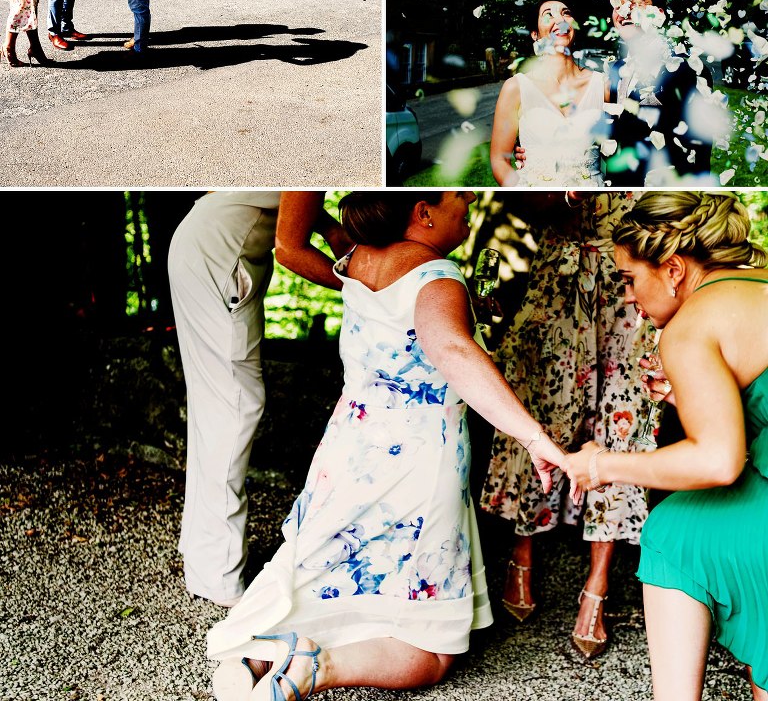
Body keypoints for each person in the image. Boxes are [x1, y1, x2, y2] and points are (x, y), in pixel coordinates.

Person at [206, 192, 572, 701]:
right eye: (458, 195)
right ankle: (319, 667)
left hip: (348, 450)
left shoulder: (357, 259)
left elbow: (398, 314)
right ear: (422, 212)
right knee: (434, 649)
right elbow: (451, 349)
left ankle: (256, 660)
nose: (467, 201)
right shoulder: (438, 274)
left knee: (329, 562)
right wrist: (533, 436)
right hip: (420, 463)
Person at [564, 191, 767, 700]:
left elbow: (718, 460)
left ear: (673, 269)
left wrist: (601, 464)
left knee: (672, 531)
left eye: (630, 280)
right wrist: (691, 397)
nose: (628, 298)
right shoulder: (758, 284)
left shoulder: (690, 324)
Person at [479, 191, 659, 659]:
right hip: (560, 278)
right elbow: (520, 198)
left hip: (633, 281)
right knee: (541, 410)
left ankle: (596, 583)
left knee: (623, 423)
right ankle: (522, 551)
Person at [168, 192, 350, 609]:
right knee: (235, 406)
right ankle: (220, 575)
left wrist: (329, 228)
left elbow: (290, 200)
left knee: (217, 407)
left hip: (205, 248)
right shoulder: (315, 140)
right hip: (217, 259)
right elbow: (290, 250)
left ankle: (204, 556)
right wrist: (368, 282)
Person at [603, 0, 714, 186]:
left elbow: (701, 147)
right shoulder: (615, 69)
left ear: (658, 13)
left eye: (635, 2)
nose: (624, 10)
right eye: (618, 4)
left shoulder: (687, 68)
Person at [489, 0, 607, 187]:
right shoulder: (516, 88)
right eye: (548, 15)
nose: (559, 20)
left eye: (566, 13)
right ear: (535, 34)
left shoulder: (602, 85)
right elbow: (499, 160)